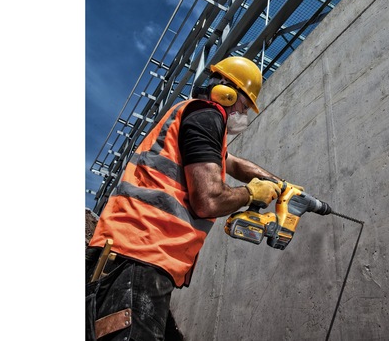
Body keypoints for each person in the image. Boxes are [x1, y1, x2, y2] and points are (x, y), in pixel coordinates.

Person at [86, 56, 282, 341]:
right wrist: (250, 193)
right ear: (227, 92)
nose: (243, 113)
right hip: (142, 250)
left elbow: (232, 162)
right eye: (243, 104)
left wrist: (278, 184)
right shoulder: (208, 114)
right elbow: (209, 201)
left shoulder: (194, 118)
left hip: (135, 254)